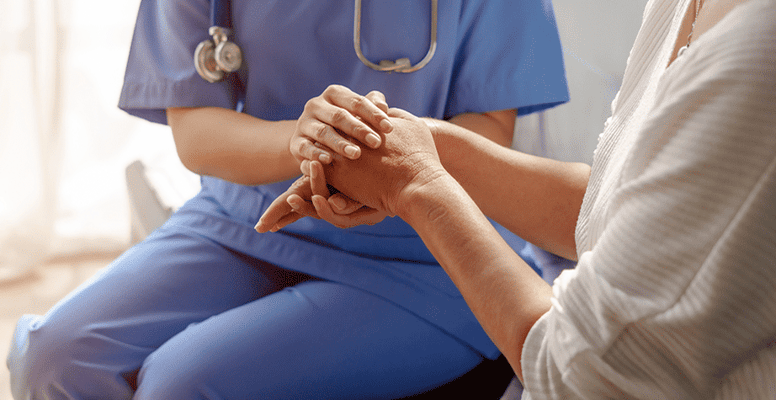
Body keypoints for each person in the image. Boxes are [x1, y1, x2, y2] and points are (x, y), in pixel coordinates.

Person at [5, 0, 569, 398]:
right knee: (55, 358)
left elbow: (488, 133)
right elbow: (196, 131)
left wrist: (369, 161)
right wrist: (306, 141)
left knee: (182, 384)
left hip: (424, 254)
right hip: (246, 221)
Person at [260, 0, 776, 397]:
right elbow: (627, 212)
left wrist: (417, 185)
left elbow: (582, 379)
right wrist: (422, 145)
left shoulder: (757, 51)